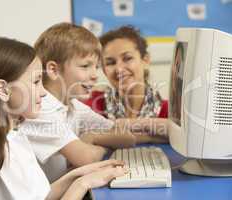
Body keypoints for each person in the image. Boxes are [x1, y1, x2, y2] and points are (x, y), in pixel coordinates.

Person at [0, 37, 128, 200]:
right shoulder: (0, 151)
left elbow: (41, 195)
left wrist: (82, 173)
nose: (44, 92)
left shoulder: (12, 136)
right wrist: (84, 183)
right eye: (36, 82)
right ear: (3, 90)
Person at [30, 22, 166, 183]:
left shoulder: (74, 106)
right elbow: (87, 157)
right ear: (53, 70)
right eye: (85, 66)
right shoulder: (41, 109)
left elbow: (126, 137)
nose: (95, 75)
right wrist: (98, 142)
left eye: (96, 67)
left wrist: (93, 137)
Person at [82, 25, 169, 138]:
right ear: (104, 70)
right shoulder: (93, 104)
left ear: (145, 60)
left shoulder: (168, 111)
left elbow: (184, 135)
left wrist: (125, 125)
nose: (119, 69)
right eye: (111, 63)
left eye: (127, 58)